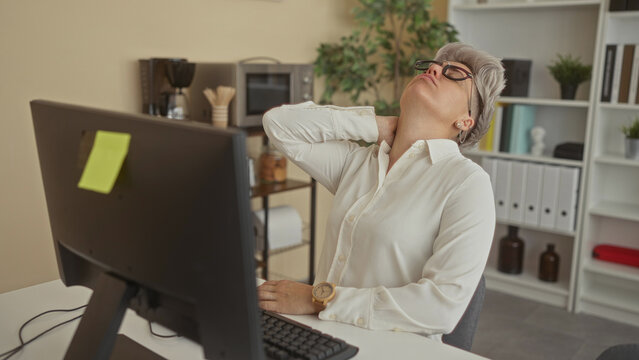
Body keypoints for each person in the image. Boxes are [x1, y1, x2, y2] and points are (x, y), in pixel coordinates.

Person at [257, 42, 506, 340]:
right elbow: (278, 124)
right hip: (320, 336)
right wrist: (372, 126)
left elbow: (440, 308)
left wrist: (318, 298)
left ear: (466, 120)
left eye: (455, 74)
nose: (434, 68)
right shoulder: (358, 163)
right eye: (432, 65)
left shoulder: (466, 183)